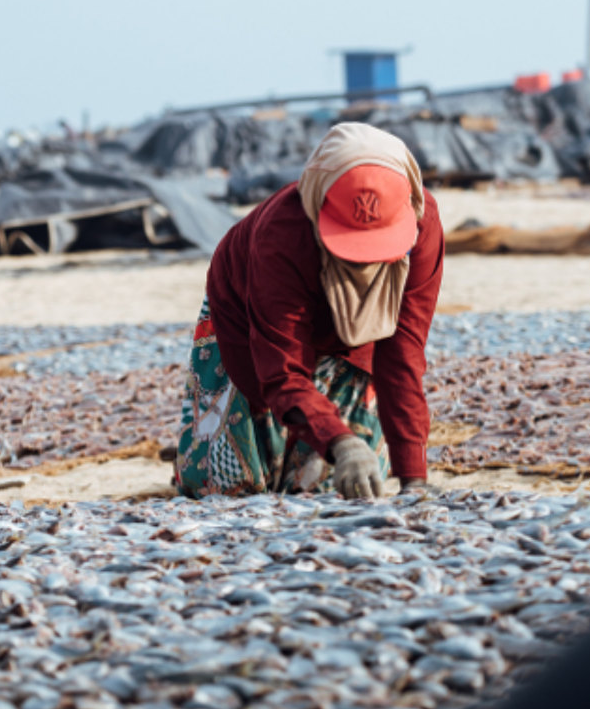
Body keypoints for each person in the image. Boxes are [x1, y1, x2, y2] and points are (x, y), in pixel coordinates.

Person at [174, 122, 443, 500]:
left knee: (338, 488)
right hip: (251, 314)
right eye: (353, 247)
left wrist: (414, 477)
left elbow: (403, 351)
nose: (364, 263)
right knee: (228, 488)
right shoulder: (282, 235)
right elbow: (282, 368)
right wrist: (342, 444)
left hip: (359, 327)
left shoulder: (421, 224)